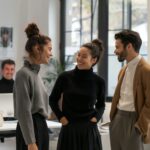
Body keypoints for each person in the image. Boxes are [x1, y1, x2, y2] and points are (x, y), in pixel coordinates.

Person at [50, 39, 105, 150]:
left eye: (84, 56)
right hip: (69, 128)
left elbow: (101, 105)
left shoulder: (99, 81)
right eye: (78, 55)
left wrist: (96, 118)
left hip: (89, 130)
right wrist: (61, 117)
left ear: (93, 60)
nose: (79, 58)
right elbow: (52, 99)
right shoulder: (64, 77)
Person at [13, 23, 52, 150]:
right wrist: (30, 142)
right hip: (31, 130)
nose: (51, 53)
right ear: (37, 48)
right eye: (49, 49)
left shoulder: (36, 74)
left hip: (40, 127)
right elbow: (24, 112)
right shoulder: (23, 74)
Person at [110, 30, 150, 150]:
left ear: (129, 46)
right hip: (117, 119)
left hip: (134, 122)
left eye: (118, 47)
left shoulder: (146, 70)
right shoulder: (123, 70)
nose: (115, 51)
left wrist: (139, 126)